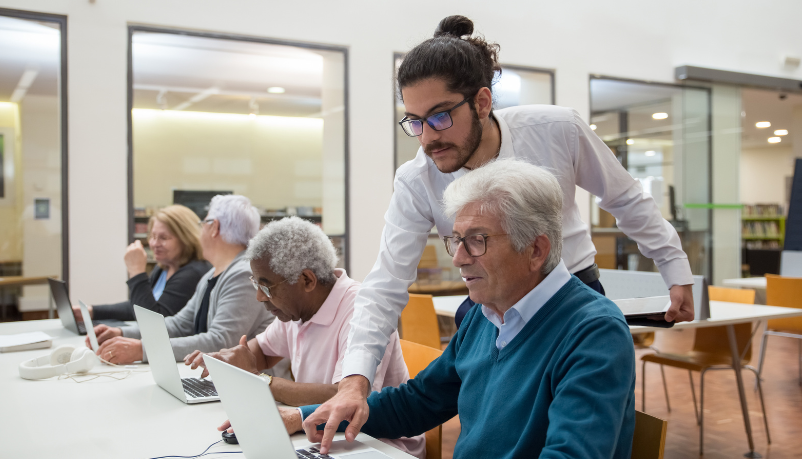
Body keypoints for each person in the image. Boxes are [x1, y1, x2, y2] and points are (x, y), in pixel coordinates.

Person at [314, 15, 695, 448]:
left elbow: (624, 198)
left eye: (440, 117)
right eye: (414, 121)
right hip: (490, 305)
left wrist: (675, 269)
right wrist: (354, 381)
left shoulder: (556, 130)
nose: (427, 138)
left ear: (481, 102)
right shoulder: (417, 177)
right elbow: (385, 285)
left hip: (568, 297)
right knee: (489, 427)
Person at [299, 159, 636, 457]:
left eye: (477, 240)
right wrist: (304, 417)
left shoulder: (594, 331)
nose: (458, 258)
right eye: (457, 240)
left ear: (536, 250)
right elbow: (418, 402)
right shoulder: (486, 314)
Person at [184, 217, 425, 459]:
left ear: (307, 280)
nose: (259, 297)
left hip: (379, 442)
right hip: (323, 432)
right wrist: (227, 361)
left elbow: (344, 397)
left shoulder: (361, 311)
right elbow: (261, 353)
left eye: (266, 287)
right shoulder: (295, 310)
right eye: (256, 284)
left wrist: (260, 379)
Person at [89, 195, 287, 380]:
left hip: (250, 385)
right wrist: (123, 333)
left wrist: (142, 349)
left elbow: (220, 342)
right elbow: (180, 325)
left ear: (214, 227)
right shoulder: (212, 274)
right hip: (222, 379)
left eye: (203, 223)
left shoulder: (243, 275)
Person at [77, 205, 211, 322]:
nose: (155, 244)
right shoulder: (163, 268)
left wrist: (137, 272)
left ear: (186, 239)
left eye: (163, 238)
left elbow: (153, 320)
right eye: (153, 236)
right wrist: (92, 311)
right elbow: (139, 306)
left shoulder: (192, 274)